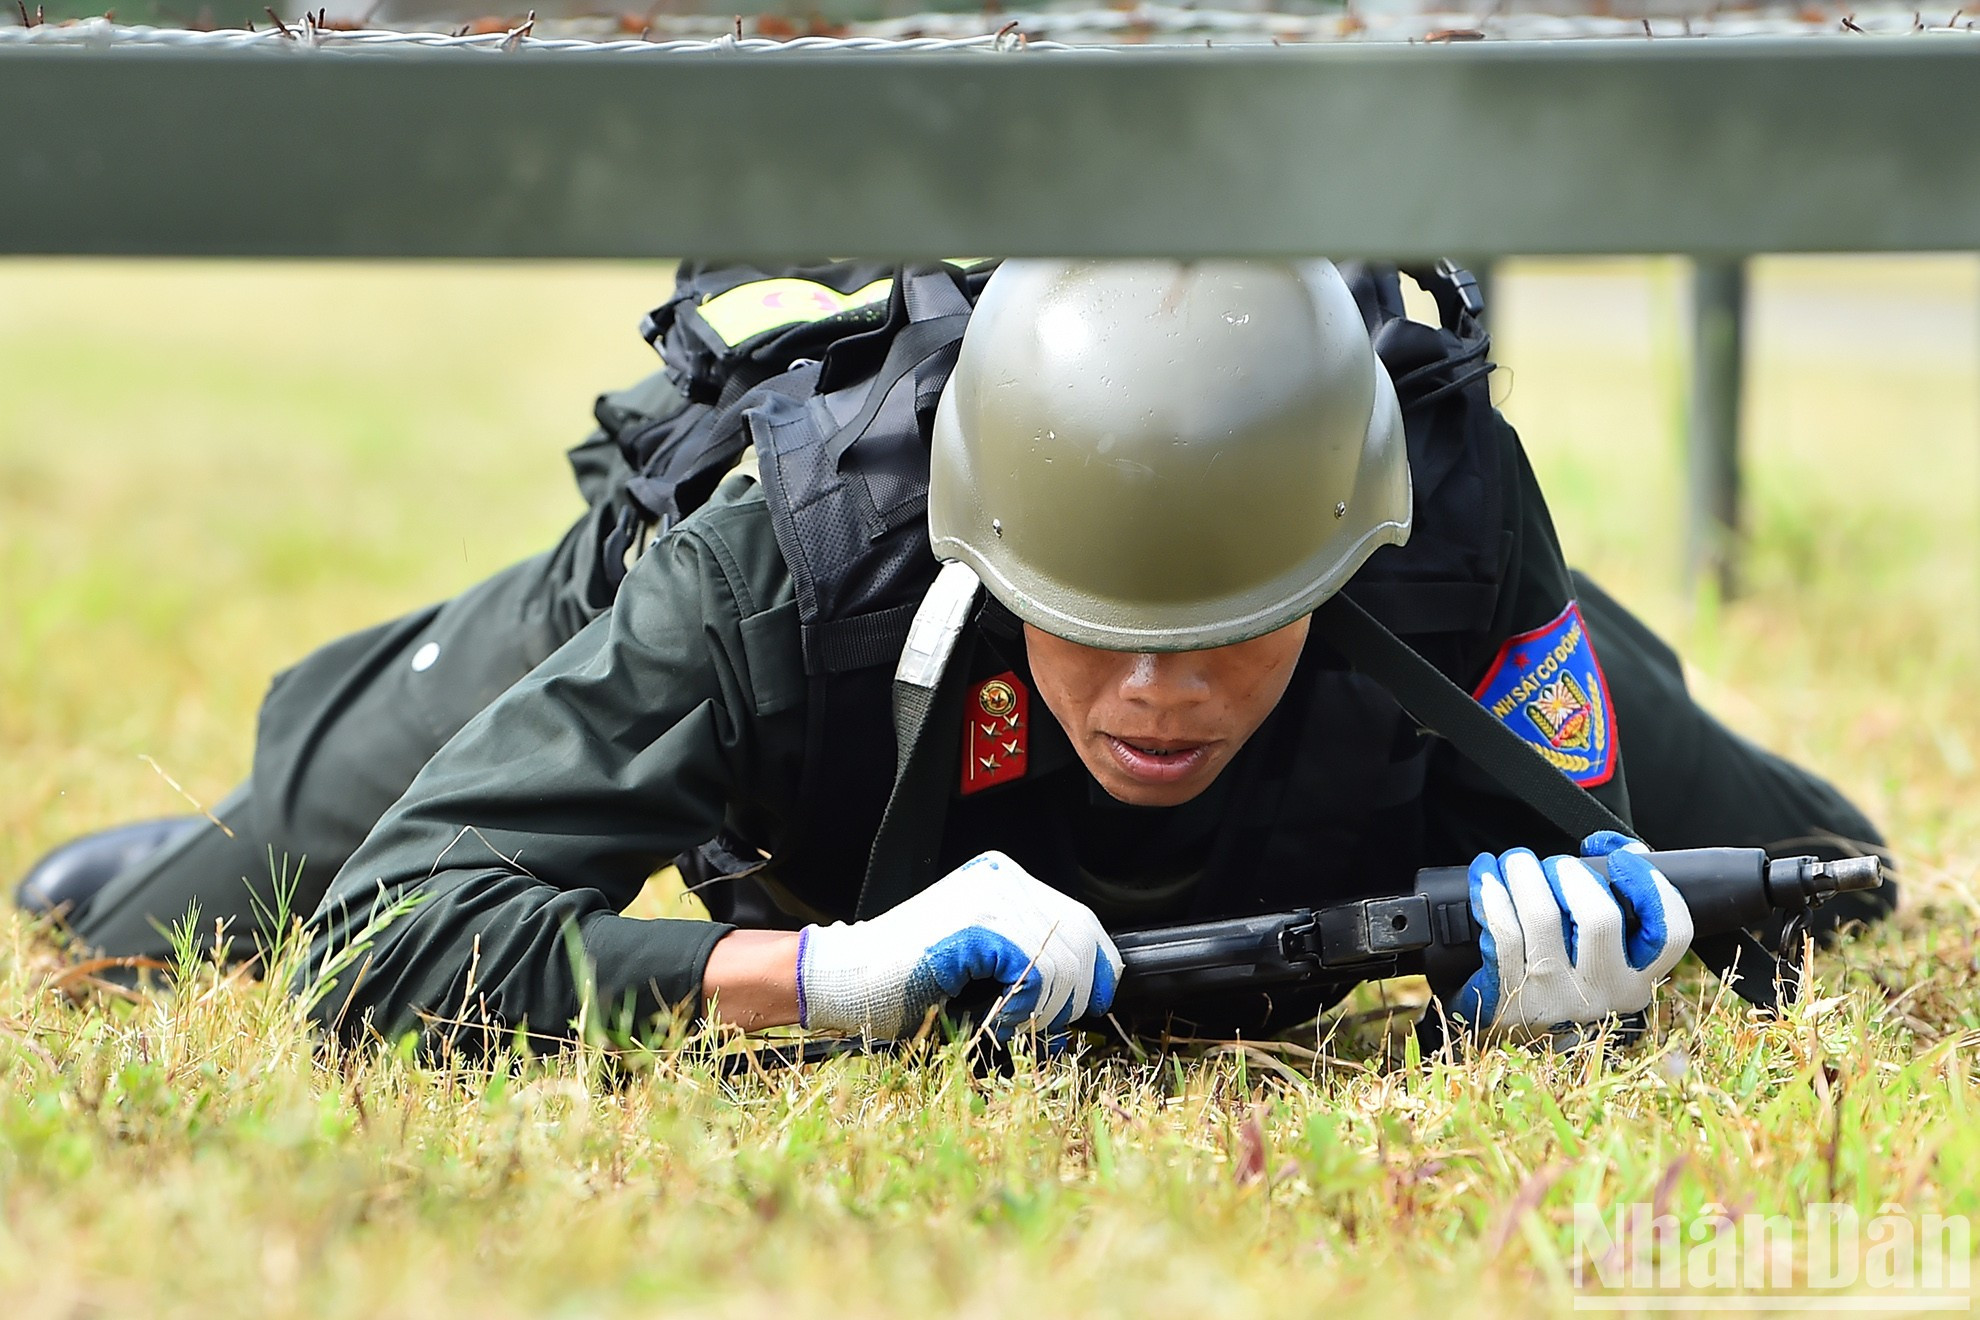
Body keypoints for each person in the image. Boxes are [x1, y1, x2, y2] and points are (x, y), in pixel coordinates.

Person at [15, 258, 1890, 1049]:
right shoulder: (792, 566)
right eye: (1102, 627)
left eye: (1224, 630)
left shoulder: (1442, 525)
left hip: (1401, 619)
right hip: (699, 615)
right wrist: (812, 972)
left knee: (1833, 877)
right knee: (231, 884)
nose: (1159, 694)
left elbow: (1604, 874)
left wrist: (1571, 967)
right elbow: (398, 939)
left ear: (1334, 566)